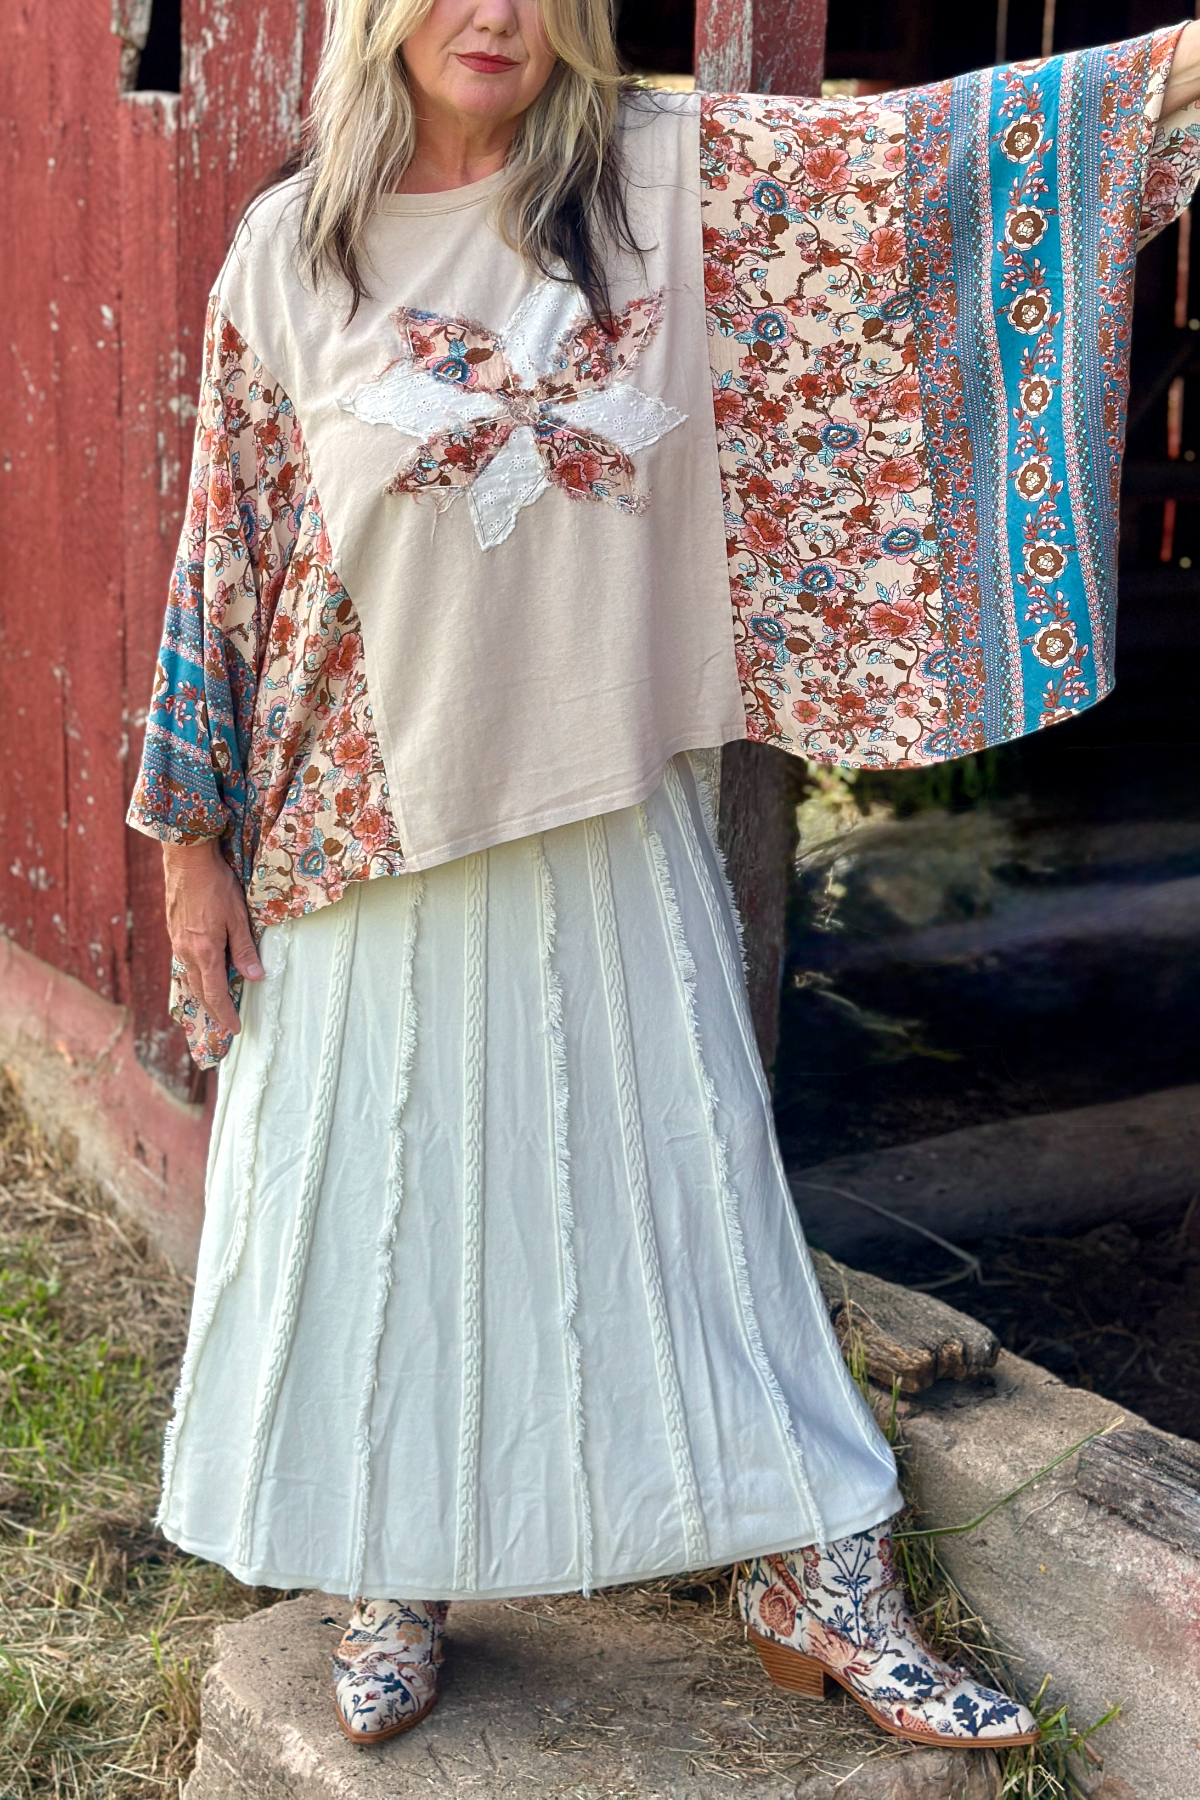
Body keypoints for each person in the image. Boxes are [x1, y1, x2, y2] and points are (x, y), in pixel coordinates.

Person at [127, 0, 1200, 1753]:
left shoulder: (664, 185)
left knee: (684, 1190)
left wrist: (1165, 76)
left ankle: (818, 1566)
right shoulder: (294, 244)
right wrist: (190, 839)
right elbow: (222, 557)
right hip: (359, 818)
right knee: (382, 1200)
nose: (495, 17)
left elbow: (920, 173)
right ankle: (393, 1561)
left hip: (602, 796)